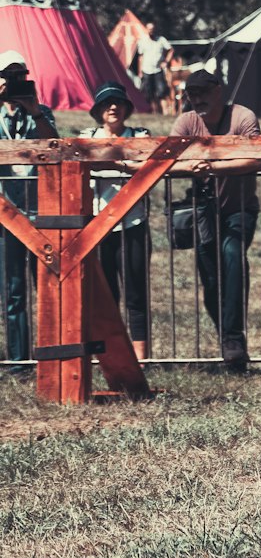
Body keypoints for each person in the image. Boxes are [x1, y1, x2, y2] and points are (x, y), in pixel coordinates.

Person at [170, 61, 261, 374]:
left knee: (233, 255)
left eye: (202, 92)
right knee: (210, 278)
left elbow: (255, 159)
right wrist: (192, 167)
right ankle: (229, 340)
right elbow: (168, 161)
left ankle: (234, 340)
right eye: (191, 93)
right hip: (202, 211)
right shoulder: (185, 122)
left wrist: (212, 166)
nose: (197, 99)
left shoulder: (242, 116)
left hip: (239, 208)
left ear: (218, 91)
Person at [82, 82, 152, 359]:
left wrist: (113, 163)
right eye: (107, 103)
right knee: (106, 294)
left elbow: (147, 165)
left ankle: (141, 356)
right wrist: (124, 163)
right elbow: (83, 162)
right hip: (99, 226)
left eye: (119, 103)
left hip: (133, 223)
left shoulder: (140, 135)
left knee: (136, 291)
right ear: (98, 110)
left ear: (127, 108)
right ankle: (112, 356)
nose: (114, 107)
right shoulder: (88, 136)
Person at [0, 50, 58, 363]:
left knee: (47, 288)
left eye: (19, 75)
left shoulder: (41, 111)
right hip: (5, 214)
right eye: (6, 76)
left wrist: (34, 111)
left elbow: (55, 147)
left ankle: (50, 357)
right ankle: (19, 360)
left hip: (39, 212)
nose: (13, 82)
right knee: (13, 290)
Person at [138, 21, 173, 115]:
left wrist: (166, 61)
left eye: (152, 29)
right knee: (148, 93)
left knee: (161, 92)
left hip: (158, 70)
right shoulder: (142, 41)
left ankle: (165, 113)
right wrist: (140, 71)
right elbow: (140, 57)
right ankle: (153, 112)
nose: (151, 31)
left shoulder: (161, 40)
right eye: (149, 29)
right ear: (146, 30)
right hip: (146, 70)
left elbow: (171, 50)